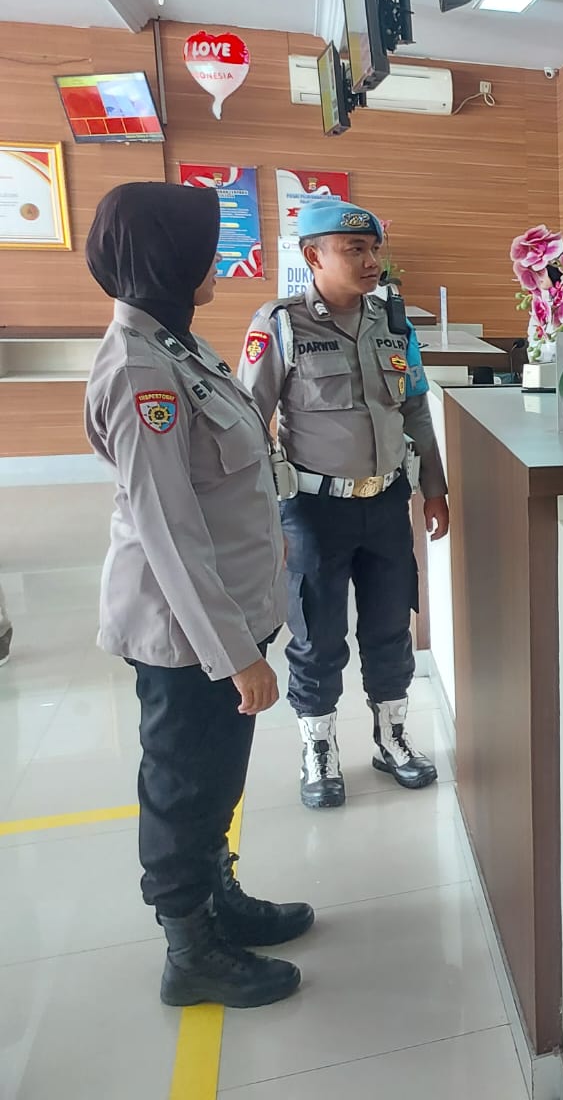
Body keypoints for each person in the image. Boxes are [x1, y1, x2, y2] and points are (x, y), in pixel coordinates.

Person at [84, 182, 313, 1008]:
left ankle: (219, 898)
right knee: (183, 786)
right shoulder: (139, 370)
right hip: (188, 634)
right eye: (206, 248)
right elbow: (169, 531)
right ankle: (191, 950)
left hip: (225, 613)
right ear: (165, 257)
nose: (219, 260)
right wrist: (236, 656)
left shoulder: (177, 346)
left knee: (216, 776)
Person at [237, 200, 449, 810]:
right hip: (314, 512)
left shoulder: (393, 323)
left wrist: (434, 487)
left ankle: (392, 737)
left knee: (390, 625)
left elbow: (414, 408)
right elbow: (250, 422)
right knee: (317, 634)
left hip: (386, 503)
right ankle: (318, 748)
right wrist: (263, 516)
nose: (370, 260)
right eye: (355, 250)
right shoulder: (281, 324)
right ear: (313, 256)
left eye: (373, 249)